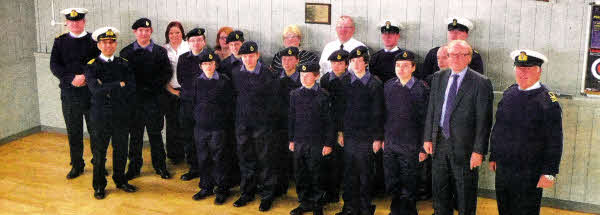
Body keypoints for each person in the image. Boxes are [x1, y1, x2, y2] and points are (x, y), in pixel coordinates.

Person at [422, 40, 493, 215]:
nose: (456, 58)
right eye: (452, 54)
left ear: (469, 58)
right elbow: (432, 109)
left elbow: (484, 121)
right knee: (440, 194)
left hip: (466, 149)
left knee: (465, 197)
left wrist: (479, 151)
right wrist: (427, 138)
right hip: (439, 145)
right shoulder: (439, 77)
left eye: (462, 54)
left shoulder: (481, 83)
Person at [489, 50, 563, 215]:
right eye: (519, 68)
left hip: (530, 170)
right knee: (504, 207)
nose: (523, 73)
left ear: (539, 71)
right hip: (505, 167)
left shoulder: (547, 100)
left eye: (528, 69)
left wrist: (549, 172)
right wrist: (494, 155)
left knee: (525, 210)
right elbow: (498, 128)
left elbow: (555, 140)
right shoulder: (509, 94)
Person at [85, 27, 138, 199]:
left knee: (121, 149)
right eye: (105, 42)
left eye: (112, 42)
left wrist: (107, 86)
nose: (109, 45)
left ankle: (120, 179)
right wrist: (118, 84)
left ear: (115, 44)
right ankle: (99, 185)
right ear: (99, 45)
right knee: (99, 152)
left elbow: (131, 87)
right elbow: (95, 90)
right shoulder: (92, 66)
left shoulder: (123, 63)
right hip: (100, 115)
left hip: (120, 114)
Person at [50, 7, 100, 179]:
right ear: (67, 23)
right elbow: (55, 66)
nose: (75, 24)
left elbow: (99, 63)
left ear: (84, 22)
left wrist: (85, 76)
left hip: (91, 93)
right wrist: (71, 78)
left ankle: (98, 163)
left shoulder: (94, 40)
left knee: (96, 131)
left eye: (78, 21)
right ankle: (77, 165)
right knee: (74, 131)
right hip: (70, 93)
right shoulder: (60, 41)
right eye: (71, 21)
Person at [230, 41, 281, 212]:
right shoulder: (236, 73)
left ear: (258, 55)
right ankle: (247, 192)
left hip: (263, 126)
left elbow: (275, 102)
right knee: (246, 160)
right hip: (243, 125)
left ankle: (267, 195)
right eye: (244, 56)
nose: (248, 59)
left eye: (251, 56)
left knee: (266, 161)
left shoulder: (268, 74)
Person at [120, 18, 172, 180]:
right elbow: (123, 76)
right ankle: (134, 168)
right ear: (135, 32)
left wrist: (153, 87)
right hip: (134, 101)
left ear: (151, 32)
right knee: (135, 136)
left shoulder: (160, 52)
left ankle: (160, 167)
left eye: (147, 30)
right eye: (140, 30)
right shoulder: (125, 53)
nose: (144, 33)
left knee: (155, 135)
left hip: (153, 100)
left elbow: (166, 73)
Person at [336, 46, 384, 215]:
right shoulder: (345, 81)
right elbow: (340, 109)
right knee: (349, 172)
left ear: (366, 63)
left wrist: (378, 138)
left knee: (365, 174)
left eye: (359, 61)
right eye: (353, 61)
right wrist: (340, 132)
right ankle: (349, 207)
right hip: (349, 135)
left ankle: (365, 208)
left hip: (367, 137)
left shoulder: (375, 84)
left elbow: (379, 113)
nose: (356, 64)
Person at [382, 50, 429, 215]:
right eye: (398, 66)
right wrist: (383, 139)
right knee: (392, 181)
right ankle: (395, 211)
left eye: (405, 66)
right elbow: (383, 115)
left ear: (413, 68)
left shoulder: (421, 89)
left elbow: (425, 121)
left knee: (409, 182)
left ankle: (409, 212)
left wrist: (423, 148)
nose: (401, 69)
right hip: (391, 143)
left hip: (411, 145)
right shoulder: (388, 86)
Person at [288, 62, 334, 215]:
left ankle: (317, 204)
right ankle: (304, 202)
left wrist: (328, 143)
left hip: (317, 142)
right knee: (301, 174)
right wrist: (291, 140)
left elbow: (329, 122)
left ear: (316, 76)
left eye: (308, 75)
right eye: (301, 75)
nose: (304, 78)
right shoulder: (294, 94)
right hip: (299, 141)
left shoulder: (323, 95)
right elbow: (292, 118)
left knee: (317, 174)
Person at [191, 51, 235, 205]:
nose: (208, 67)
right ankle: (206, 187)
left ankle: (222, 189)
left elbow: (230, 105)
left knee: (220, 159)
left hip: (218, 128)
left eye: (211, 64)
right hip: (201, 128)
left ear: (215, 65)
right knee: (203, 158)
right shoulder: (197, 82)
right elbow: (193, 102)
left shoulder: (224, 81)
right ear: (201, 66)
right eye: (205, 64)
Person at [368, 19, 405, 196]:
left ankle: (393, 189)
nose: (387, 37)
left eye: (391, 34)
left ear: (397, 36)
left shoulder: (405, 56)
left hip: (397, 108)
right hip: (377, 106)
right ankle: (378, 185)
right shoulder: (375, 57)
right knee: (378, 146)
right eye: (385, 33)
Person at [176, 28, 210, 181]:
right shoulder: (183, 58)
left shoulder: (210, 58)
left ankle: (207, 170)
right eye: (192, 40)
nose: (196, 43)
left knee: (205, 139)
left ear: (204, 41)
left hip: (204, 106)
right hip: (187, 104)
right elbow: (181, 80)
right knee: (188, 137)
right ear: (188, 43)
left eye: (199, 40)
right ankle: (193, 168)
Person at [319, 49, 351, 204]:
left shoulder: (351, 80)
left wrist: (341, 131)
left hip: (345, 127)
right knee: (329, 162)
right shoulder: (325, 79)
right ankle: (330, 193)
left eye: (340, 63)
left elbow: (348, 109)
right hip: (328, 126)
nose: (336, 66)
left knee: (344, 163)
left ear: (346, 64)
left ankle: (345, 194)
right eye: (333, 63)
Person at [418, 17, 484, 84]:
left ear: (466, 35)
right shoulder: (434, 52)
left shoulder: (473, 56)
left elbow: (478, 82)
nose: (453, 36)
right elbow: (424, 79)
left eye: (458, 32)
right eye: (451, 32)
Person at [274, 47, 303, 197]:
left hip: (298, 126)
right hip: (279, 125)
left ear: (297, 61)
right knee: (279, 158)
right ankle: (280, 187)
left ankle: (301, 192)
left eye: (290, 59)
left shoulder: (303, 79)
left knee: (298, 161)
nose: (286, 62)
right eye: (284, 59)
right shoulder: (276, 77)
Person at [162, 21, 189, 166]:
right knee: (172, 124)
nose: (174, 35)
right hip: (170, 91)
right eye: (171, 33)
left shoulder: (189, 46)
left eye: (177, 32)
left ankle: (189, 153)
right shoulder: (163, 49)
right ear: (167, 35)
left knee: (186, 123)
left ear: (182, 33)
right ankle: (174, 155)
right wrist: (171, 90)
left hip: (187, 91)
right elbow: (161, 73)